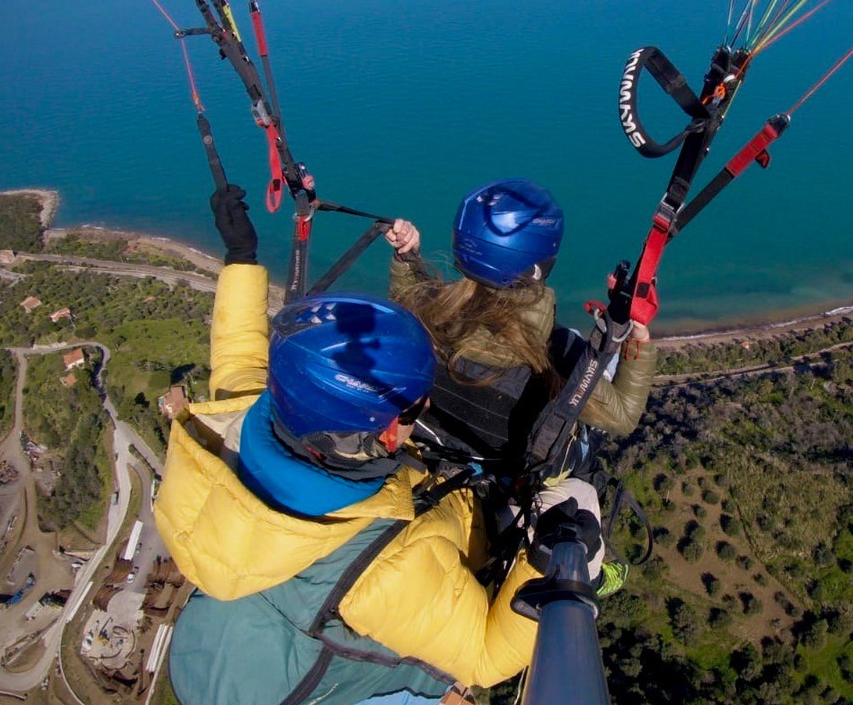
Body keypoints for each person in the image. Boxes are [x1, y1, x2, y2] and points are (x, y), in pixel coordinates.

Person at [154, 185, 602, 705]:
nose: (424, 409)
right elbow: (482, 659)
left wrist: (241, 257)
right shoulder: (389, 576)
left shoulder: (241, 430)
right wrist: (546, 562)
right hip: (321, 660)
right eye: (414, 408)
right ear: (385, 434)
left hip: (236, 626)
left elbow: (239, 360)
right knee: (580, 500)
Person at [385, 178, 658, 587]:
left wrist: (408, 258)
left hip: (441, 453)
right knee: (580, 484)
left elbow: (409, 295)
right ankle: (595, 576)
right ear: (539, 265)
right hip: (515, 480)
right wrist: (639, 340)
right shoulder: (557, 353)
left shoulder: (431, 315)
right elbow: (622, 415)